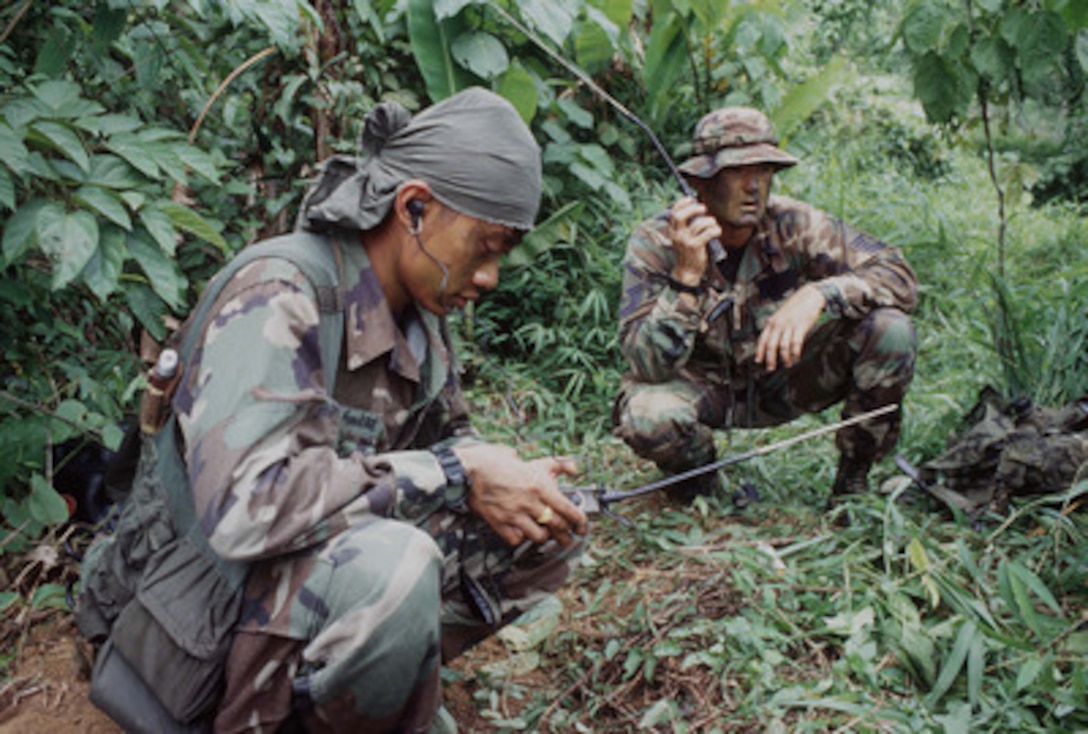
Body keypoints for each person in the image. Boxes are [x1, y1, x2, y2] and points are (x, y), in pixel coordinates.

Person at [78, 87, 588, 733]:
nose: (489, 277)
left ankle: (362, 691)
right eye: (486, 247)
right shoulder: (280, 292)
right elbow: (244, 512)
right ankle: (272, 709)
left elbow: (447, 434)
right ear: (414, 208)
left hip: (297, 567)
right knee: (392, 566)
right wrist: (453, 471)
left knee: (547, 527)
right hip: (193, 602)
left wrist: (499, 476)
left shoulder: (420, 318)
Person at [612, 106, 918, 506]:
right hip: (702, 388)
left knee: (890, 330)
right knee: (648, 415)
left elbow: (900, 276)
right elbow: (647, 365)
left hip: (782, 377)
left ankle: (851, 489)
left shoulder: (795, 223)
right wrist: (685, 279)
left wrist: (820, 294)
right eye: (738, 172)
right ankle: (698, 490)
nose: (754, 185)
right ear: (697, 182)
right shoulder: (655, 242)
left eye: (765, 170)